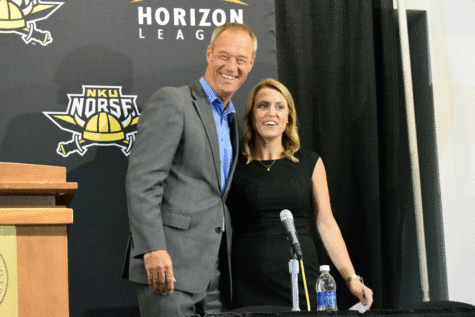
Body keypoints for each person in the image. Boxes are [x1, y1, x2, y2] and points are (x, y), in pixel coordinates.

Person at [123, 22, 256, 317]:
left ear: (251, 65)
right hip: (168, 269)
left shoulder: (233, 120)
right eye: (224, 56)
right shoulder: (173, 101)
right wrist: (152, 248)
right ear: (209, 54)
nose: (231, 66)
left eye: (241, 60)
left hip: (213, 274)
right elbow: (142, 183)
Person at [227, 78, 373, 310]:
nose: (271, 113)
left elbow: (326, 224)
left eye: (279, 107)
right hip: (249, 281)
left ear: (288, 118)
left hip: (300, 279)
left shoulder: (309, 162)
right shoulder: (234, 166)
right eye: (263, 106)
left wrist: (351, 278)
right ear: (251, 114)